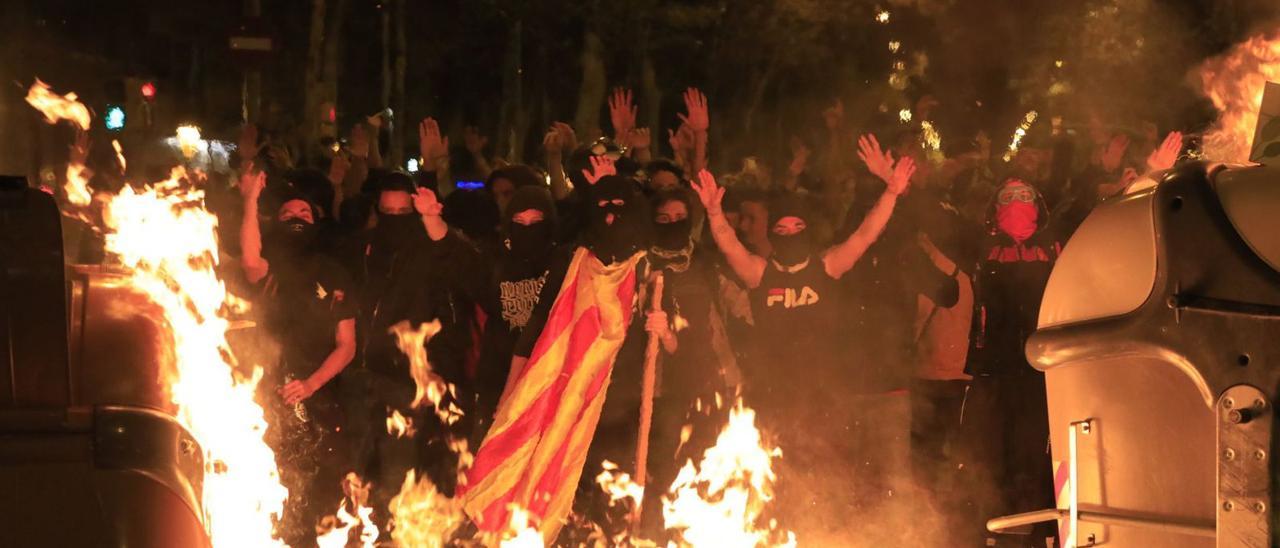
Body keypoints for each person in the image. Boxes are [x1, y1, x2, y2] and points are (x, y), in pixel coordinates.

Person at [461, 155, 651, 542]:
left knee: (611, 490)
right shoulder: (573, 263)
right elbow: (537, 330)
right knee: (557, 485)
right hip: (565, 396)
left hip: (621, 402)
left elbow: (667, 338)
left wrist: (662, 329)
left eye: (620, 209)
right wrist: (513, 393)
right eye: (603, 209)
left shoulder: (649, 268)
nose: (611, 218)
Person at [238, 166, 357, 548]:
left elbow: (347, 344)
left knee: (321, 490)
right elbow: (249, 257)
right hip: (268, 395)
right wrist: (251, 199)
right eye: (288, 214)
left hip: (321, 397)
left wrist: (311, 384)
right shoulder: (268, 268)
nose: (296, 219)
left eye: (304, 214)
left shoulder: (335, 273)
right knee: (273, 487)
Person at [958, 177, 1062, 547]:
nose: (1017, 202)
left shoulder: (1056, 244)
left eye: (1025, 196)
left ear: (1039, 205)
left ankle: (1033, 535)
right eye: (1008, 197)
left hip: (1042, 370)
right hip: (992, 369)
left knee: (1034, 453)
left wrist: (1149, 170)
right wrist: (898, 190)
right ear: (994, 208)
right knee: (985, 453)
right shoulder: (981, 247)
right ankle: (989, 532)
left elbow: (1095, 212)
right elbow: (939, 227)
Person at [638, 188, 734, 536]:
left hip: (694, 381)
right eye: (663, 220)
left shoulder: (701, 263)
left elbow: (704, 328)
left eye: (680, 218)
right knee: (652, 466)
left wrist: (668, 335)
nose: (672, 225)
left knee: (688, 461)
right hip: (650, 386)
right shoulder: (641, 265)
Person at [473, 185, 562, 438]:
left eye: (536, 221)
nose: (528, 229)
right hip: (497, 371)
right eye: (519, 221)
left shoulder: (562, 261)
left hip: (548, 375)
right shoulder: (493, 261)